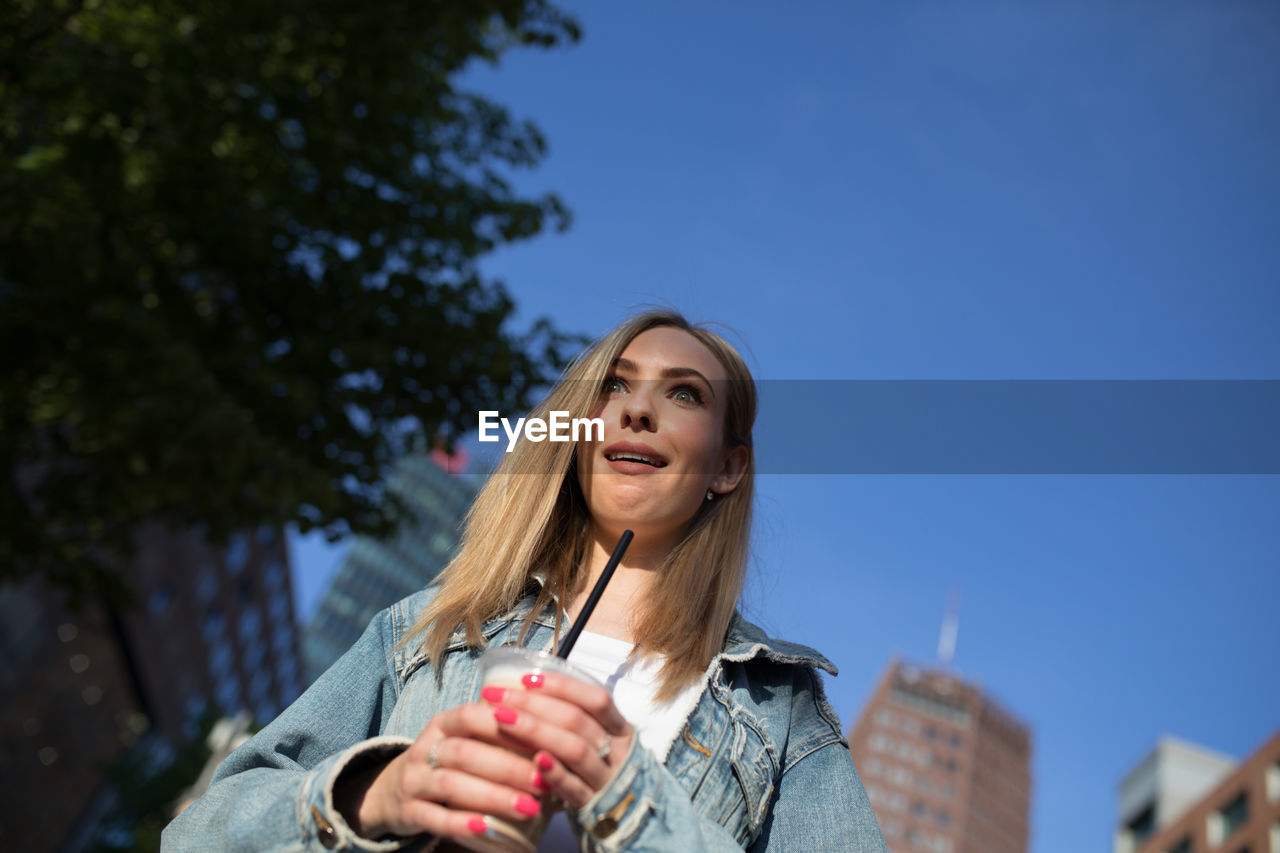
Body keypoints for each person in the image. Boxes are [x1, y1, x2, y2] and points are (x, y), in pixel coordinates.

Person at [163, 311, 887, 852]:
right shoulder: (433, 627)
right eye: (613, 387)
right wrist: (376, 793)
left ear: (727, 468)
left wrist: (632, 801)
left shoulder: (777, 712)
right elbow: (196, 835)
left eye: (686, 394)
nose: (637, 408)